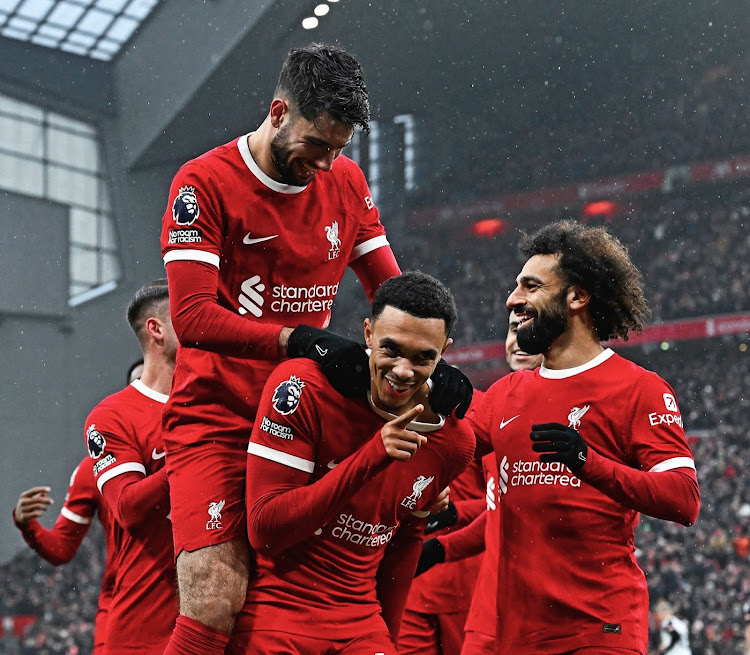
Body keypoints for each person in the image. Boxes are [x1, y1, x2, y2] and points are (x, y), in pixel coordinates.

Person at [159, 43, 472, 653]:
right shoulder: (203, 183)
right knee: (217, 596)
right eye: (318, 146)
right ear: (278, 112)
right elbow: (192, 317)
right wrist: (297, 339)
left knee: (343, 580)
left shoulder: (347, 183)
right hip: (219, 415)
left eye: (340, 149)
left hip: (311, 415)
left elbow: (392, 290)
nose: (326, 164)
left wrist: (440, 369)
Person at [467, 220, 700, 654]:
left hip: (598, 630)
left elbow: (683, 499)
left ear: (576, 297)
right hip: (517, 636)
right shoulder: (504, 395)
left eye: (530, 286)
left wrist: (587, 463)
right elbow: (448, 451)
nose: (512, 299)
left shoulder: (639, 389)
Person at [229, 271, 476, 654]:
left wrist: (388, 642)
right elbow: (265, 530)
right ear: (367, 334)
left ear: (444, 351)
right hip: (277, 614)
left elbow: (405, 543)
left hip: (361, 623)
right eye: (391, 350)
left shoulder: (453, 444)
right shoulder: (301, 388)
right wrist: (373, 455)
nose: (403, 371)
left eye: (423, 357)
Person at [409, 311, 544, 655]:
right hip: (411, 577)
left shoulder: (483, 410)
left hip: (466, 583)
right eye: (512, 329)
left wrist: (451, 514)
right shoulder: (391, 409)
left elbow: (501, 503)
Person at [85, 279, 178, 654]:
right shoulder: (111, 416)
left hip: (227, 621)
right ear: (156, 329)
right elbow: (128, 507)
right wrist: (192, 454)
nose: (202, 320)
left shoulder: (220, 404)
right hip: (146, 627)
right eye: (186, 313)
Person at [13, 459, 115, 654]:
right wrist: (27, 525)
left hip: (183, 602)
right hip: (119, 609)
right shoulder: (94, 468)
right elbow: (62, 548)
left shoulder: (182, 454)